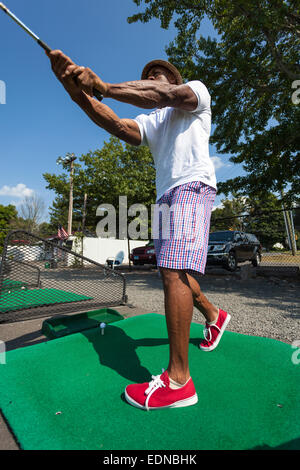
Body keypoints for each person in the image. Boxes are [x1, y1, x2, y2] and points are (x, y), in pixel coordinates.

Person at [47, 51, 231, 410]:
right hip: (165, 196)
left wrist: (103, 86)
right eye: (149, 73)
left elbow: (163, 95)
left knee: (173, 270)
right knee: (172, 268)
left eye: (160, 74)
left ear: (173, 80)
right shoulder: (152, 122)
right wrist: (76, 91)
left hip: (192, 185)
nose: (154, 76)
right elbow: (116, 124)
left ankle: (179, 381)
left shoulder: (195, 93)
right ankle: (214, 314)